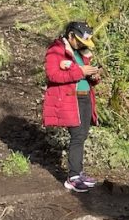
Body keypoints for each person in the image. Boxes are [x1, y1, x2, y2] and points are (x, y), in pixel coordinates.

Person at [42, 21, 102, 193]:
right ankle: (73, 178)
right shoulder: (56, 50)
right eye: (80, 41)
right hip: (70, 99)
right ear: (70, 36)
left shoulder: (81, 52)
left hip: (85, 98)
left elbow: (86, 76)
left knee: (82, 135)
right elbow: (53, 75)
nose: (83, 45)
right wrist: (80, 72)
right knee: (76, 135)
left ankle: (78, 173)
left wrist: (94, 75)